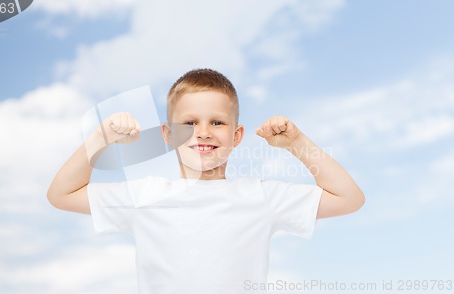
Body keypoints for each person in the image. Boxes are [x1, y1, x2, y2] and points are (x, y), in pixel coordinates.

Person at [47, 68, 365, 294]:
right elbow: (61, 194)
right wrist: (101, 138)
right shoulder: (145, 194)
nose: (203, 132)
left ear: (237, 135)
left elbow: (349, 199)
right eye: (189, 122)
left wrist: (296, 142)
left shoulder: (260, 195)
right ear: (168, 135)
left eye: (217, 122)